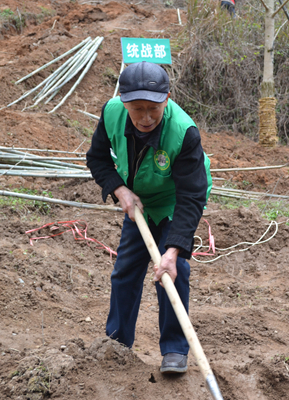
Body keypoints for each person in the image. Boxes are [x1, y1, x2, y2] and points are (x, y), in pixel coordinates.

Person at [86, 61, 212, 374]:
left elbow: (191, 197)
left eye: (153, 109)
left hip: (174, 201)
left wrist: (172, 250)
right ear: (124, 102)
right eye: (137, 109)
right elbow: (97, 159)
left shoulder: (184, 133)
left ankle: (174, 350)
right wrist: (119, 190)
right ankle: (116, 343)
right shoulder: (112, 113)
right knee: (125, 270)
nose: (145, 118)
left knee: (174, 271)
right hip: (137, 201)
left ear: (166, 99)